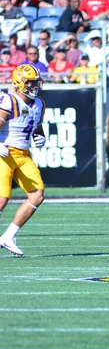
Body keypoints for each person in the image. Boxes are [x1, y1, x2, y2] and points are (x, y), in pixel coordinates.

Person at [0, 64, 47, 256]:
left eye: (36, 82)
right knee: (2, 199)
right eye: (30, 82)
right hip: (4, 154)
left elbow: (36, 127)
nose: (35, 86)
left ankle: (8, 237)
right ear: (19, 82)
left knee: (37, 196)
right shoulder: (9, 100)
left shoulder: (40, 104)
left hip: (23, 155)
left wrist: (40, 136)